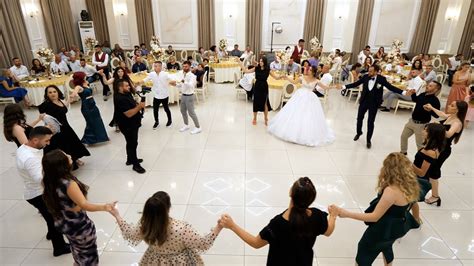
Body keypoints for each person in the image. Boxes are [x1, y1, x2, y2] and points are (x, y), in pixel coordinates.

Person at [220, 177, 337, 265]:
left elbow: (255, 243)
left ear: (291, 193)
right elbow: (329, 231)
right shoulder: (316, 216)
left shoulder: (278, 224)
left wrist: (232, 225)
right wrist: (333, 215)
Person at [332, 153, 420, 266]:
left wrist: (346, 213)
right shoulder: (409, 185)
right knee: (387, 246)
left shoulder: (391, 191)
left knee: (364, 251)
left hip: (381, 230)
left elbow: (374, 216)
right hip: (395, 228)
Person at [42, 149, 116, 265]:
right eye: (66, 155)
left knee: (77, 249)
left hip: (64, 222)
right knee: (88, 257)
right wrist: (105, 207)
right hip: (79, 227)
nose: (69, 155)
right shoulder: (69, 184)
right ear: (61, 164)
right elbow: (83, 205)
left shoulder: (47, 180)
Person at [109, 191, 222, 264]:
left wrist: (117, 215)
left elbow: (130, 234)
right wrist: (219, 227)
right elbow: (203, 244)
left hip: (154, 261)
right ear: (168, 208)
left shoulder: (145, 225)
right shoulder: (181, 229)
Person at [16, 126, 71, 257]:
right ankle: (59, 247)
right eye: (46, 141)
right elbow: (40, 179)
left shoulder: (25, 147)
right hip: (39, 194)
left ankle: (50, 234)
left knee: (49, 216)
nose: (49, 143)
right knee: (55, 218)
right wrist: (63, 165)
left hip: (34, 191)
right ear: (35, 140)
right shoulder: (30, 158)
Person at [341, 64, 406, 148]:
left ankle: (368, 140)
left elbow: (390, 87)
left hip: (374, 103)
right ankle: (359, 132)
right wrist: (343, 86)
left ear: (376, 71)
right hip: (364, 101)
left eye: (371, 71)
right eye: (369, 70)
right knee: (359, 118)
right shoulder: (365, 77)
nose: (369, 72)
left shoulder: (381, 79)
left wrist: (403, 92)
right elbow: (355, 84)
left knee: (370, 122)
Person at [268, 66, 335, 146]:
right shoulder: (302, 77)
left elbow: (325, 87)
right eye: (308, 69)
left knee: (307, 115)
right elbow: (293, 82)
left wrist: (334, 87)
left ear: (313, 72)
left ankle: (304, 133)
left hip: (310, 98)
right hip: (300, 95)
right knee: (295, 112)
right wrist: (286, 77)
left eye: (310, 69)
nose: (308, 70)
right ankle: (292, 130)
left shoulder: (317, 80)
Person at [422, 100, 467, 206]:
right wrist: (432, 108)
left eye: (452, 105)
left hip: (443, 150)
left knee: (434, 173)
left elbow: (448, 134)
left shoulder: (457, 123)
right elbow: (442, 114)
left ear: (458, 110)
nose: (449, 106)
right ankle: (425, 186)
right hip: (437, 148)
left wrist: (439, 126)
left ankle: (435, 196)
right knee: (429, 169)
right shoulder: (451, 117)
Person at [38, 85, 90, 170]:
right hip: (57, 130)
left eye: (54, 92)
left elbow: (63, 108)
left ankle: (75, 159)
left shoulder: (59, 101)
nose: (52, 94)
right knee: (62, 147)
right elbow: (45, 117)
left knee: (71, 144)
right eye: (50, 92)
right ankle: (65, 166)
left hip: (66, 127)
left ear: (58, 92)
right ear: (47, 95)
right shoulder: (46, 105)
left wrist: (69, 100)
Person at [411, 123, 445, 223]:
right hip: (416, 177)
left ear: (432, 134)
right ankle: (416, 219)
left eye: (426, 130)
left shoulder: (430, 151)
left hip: (418, 180)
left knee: (411, 201)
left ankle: (416, 219)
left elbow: (422, 173)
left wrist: (409, 164)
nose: (423, 131)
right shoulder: (433, 147)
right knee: (411, 201)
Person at [113, 79, 146, 173]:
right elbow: (128, 114)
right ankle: (135, 165)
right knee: (132, 143)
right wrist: (139, 106)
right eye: (126, 86)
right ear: (120, 87)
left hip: (133, 123)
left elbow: (131, 104)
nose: (129, 87)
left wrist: (137, 104)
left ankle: (130, 159)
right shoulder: (119, 98)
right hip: (127, 125)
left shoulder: (126, 93)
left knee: (131, 142)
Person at [400, 81, 442, 154]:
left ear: (435, 90)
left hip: (421, 125)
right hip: (411, 121)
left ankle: (419, 158)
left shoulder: (435, 101)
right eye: (428, 85)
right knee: (403, 136)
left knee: (420, 144)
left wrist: (430, 110)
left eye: (431, 86)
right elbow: (416, 100)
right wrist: (413, 94)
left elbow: (437, 115)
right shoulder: (423, 94)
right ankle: (403, 152)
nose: (427, 86)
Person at [70, 72, 109, 145]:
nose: (86, 76)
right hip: (86, 106)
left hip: (93, 104)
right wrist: (73, 95)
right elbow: (75, 91)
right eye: (84, 76)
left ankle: (102, 137)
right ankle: (88, 140)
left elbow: (93, 77)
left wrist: (100, 73)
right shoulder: (78, 86)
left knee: (98, 121)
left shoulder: (86, 82)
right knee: (90, 122)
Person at [241, 57, 279, 125]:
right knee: (256, 102)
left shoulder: (268, 69)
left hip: (264, 86)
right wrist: (240, 62)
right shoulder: (256, 68)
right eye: (260, 61)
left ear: (264, 62)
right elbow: (246, 71)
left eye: (261, 61)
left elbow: (276, 77)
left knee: (265, 103)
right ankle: (255, 118)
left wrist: (283, 76)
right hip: (257, 86)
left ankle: (266, 118)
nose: (260, 62)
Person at [139, 61, 173, 129]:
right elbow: (145, 80)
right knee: (155, 110)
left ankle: (169, 120)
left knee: (166, 109)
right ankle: (156, 122)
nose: (156, 67)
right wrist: (138, 82)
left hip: (164, 95)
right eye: (155, 66)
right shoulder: (152, 74)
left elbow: (171, 78)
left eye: (158, 66)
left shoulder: (165, 74)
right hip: (156, 95)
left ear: (161, 66)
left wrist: (173, 81)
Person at [170, 61, 202, 134]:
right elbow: (181, 85)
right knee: (183, 111)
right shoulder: (182, 75)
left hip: (189, 96)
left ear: (190, 67)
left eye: (186, 66)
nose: (184, 68)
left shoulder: (193, 76)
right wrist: (175, 85)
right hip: (183, 95)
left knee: (191, 113)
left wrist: (183, 81)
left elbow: (191, 85)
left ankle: (198, 127)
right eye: (183, 66)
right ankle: (186, 125)